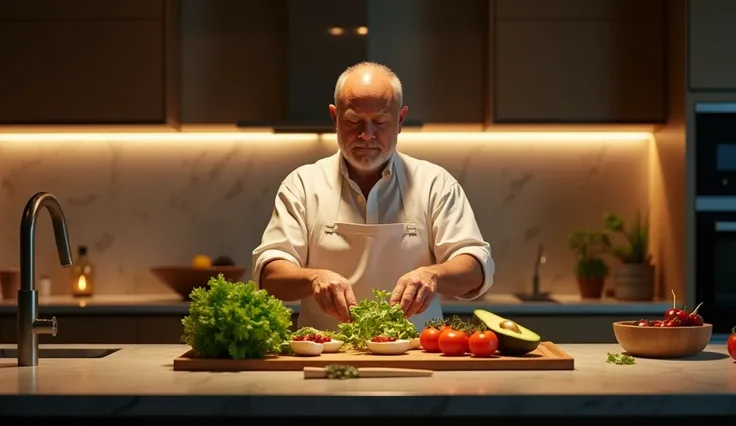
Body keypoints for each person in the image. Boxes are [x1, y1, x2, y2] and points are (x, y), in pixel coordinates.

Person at [252, 61, 494, 332]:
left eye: (380, 122)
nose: (366, 135)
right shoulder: (302, 185)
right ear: (335, 118)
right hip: (326, 357)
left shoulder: (436, 184)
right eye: (354, 121)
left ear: (400, 120)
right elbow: (270, 273)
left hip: (418, 356)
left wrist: (432, 275)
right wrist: (314, 279)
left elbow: (474, 266)